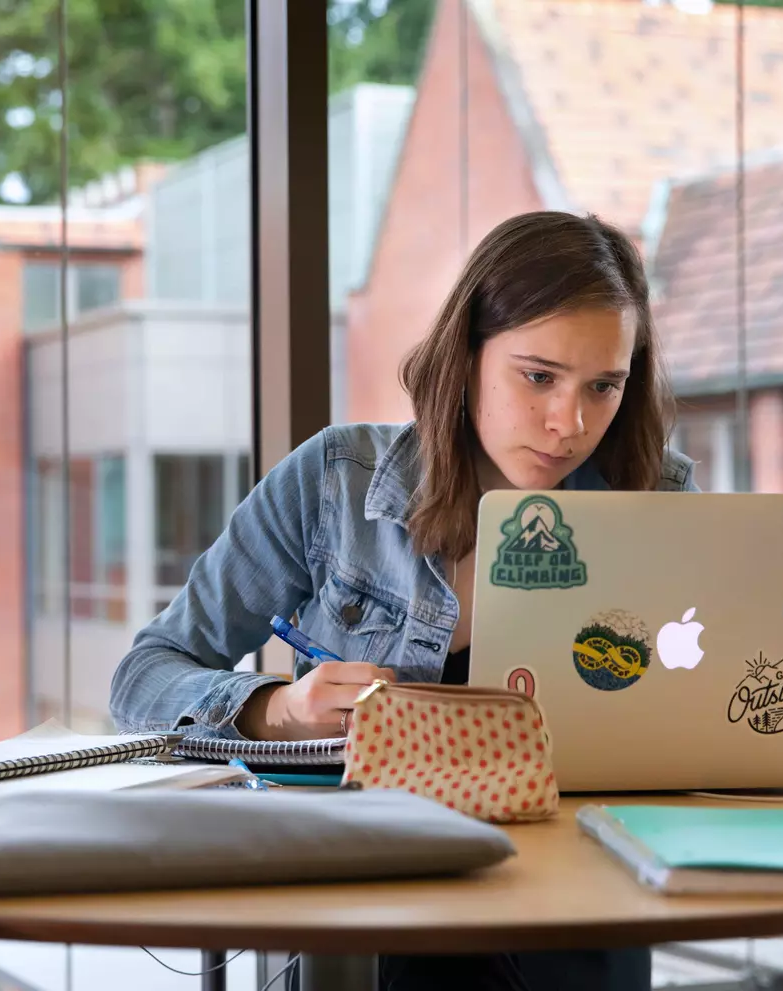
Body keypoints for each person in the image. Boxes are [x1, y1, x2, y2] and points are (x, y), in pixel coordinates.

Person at [110, 210, 698, 991]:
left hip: (579, 912)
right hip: (368, 911)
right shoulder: (335, 482)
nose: (570, 423)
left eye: (604, 386)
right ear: (467, 356)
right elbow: (142, 676)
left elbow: (697, 711)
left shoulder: (654, 495)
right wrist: (273, 710)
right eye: (537, 376)